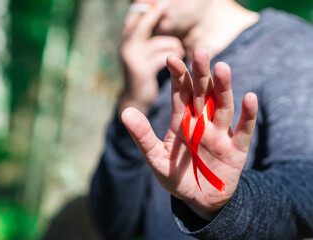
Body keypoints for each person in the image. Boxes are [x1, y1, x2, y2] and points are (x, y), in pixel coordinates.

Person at [90, 0, 313, 239]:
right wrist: (134, 100)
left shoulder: (294, 47)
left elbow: (306, 191)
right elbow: (114, 224)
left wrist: (228, 203)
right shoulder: (157, 72)